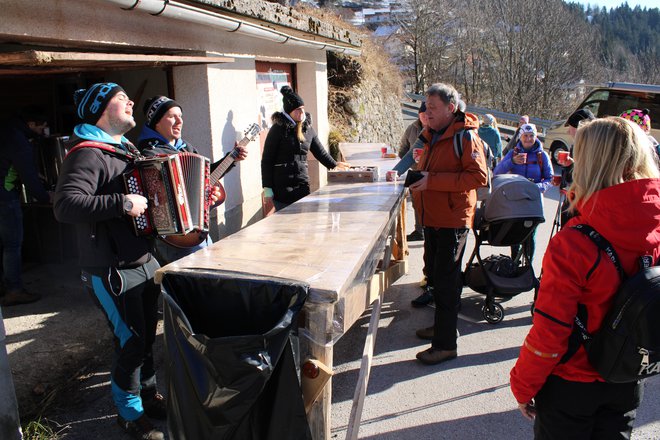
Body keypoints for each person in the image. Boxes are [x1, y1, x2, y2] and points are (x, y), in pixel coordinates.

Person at [510, 117, 659, 438]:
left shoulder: (574, 242)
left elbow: (550, 333)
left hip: (573, 384)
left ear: (590, 162)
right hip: (627, 375)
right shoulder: (655, 227)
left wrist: (523, 386)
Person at [54, 83, 165, 440]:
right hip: (111, 269)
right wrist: (122, 202)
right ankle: (129, 415)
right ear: (102, 109)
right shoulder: (86, 154)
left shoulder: (125, 149)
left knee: (147, 337)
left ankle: (148, 397)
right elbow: (66, 205)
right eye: (122, 99)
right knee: (130, 342)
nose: (131, 101)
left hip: (143, 260)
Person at [408, 83, 489, 365]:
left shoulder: (466, 138)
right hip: (433, 218)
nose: (426, 113)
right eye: (426, 107)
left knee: (446, 282)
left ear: (450, 108)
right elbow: (432, 171)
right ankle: (442, 327)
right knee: (434, 275)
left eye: (432, 108)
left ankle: (445, 345)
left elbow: (479, 178)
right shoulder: (432, 134)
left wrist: (432, 181)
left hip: (452, 221)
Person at [136, 95, 247, 264]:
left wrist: (230, 160)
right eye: (172, 116)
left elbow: (204, 178)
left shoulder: (185, 147)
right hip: (175, 239)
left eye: (180, 116)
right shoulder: (149, 154)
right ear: (156, 121)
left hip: (197, 230)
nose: (179, 121)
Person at [261, 85, 348, 211]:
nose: (301, 113)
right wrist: (267, 187)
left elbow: (320, 152)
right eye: (297, 110)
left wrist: (334, 165)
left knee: (304, 223)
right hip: (282, 188)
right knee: (286, 224)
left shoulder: (307, 128)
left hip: (302, 185)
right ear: (289, 111)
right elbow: (267, 159)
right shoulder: (278, 129)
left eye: (302, 109)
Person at [0, 106, 51, 307]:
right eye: (41, 128)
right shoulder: (19, 140)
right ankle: (14, 290)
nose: (41, 132)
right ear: (31, 124)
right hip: (4, 196)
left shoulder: (6, 129)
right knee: (12, 244)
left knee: (3, 244)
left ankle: (4, 285)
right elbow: (28, 176)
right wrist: (45, 196)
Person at [494, 123, 553, 263]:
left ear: (536, 136)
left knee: (530, 234)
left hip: (534, 200)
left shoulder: (542, 156)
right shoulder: (513, 153)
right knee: (514, 232)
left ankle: (528, 266)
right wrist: (512, 162)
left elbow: (549, 179)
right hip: (515, 200)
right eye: (525, 136)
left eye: (531, 135)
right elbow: (496, 173)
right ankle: (515, 263)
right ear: (520, 137)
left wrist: (535, 188)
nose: (528, 139)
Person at [398, 102, 428, 242]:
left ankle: (426, 229)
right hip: (415, 171)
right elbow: (405, 150)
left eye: (427, 115)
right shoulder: (413, 129)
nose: (425, 118)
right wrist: (397, 171)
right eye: (423, 115)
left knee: (428, 204)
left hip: (429, 173)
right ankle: (419, 230)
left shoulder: (436, 130)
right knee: (416, 203)